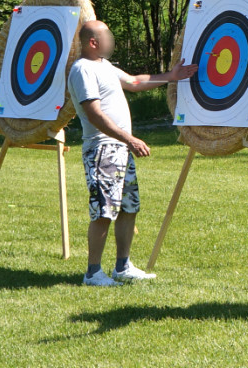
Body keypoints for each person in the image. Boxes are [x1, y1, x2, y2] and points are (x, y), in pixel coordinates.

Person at [68, 20, 196, 287]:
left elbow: (135, 82)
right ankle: (93, 273)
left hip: (120, 149)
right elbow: (95, 114)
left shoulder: (105, 67)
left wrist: (171, 76)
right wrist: (129, 138)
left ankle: (122, 267)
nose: (111, 42)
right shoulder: (82, 70)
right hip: (103, 148)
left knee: (128, 207)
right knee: (104, 210)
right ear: (93, 42)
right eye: (108, 37)